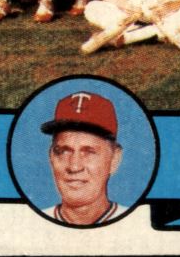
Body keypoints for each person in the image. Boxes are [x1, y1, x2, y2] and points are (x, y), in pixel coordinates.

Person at [40, 92, 127, 226]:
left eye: (89, 152)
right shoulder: (30, 224)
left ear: (114, 159)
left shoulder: (137, 223)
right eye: (64, 151)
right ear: (51, 156)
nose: (74, 166)